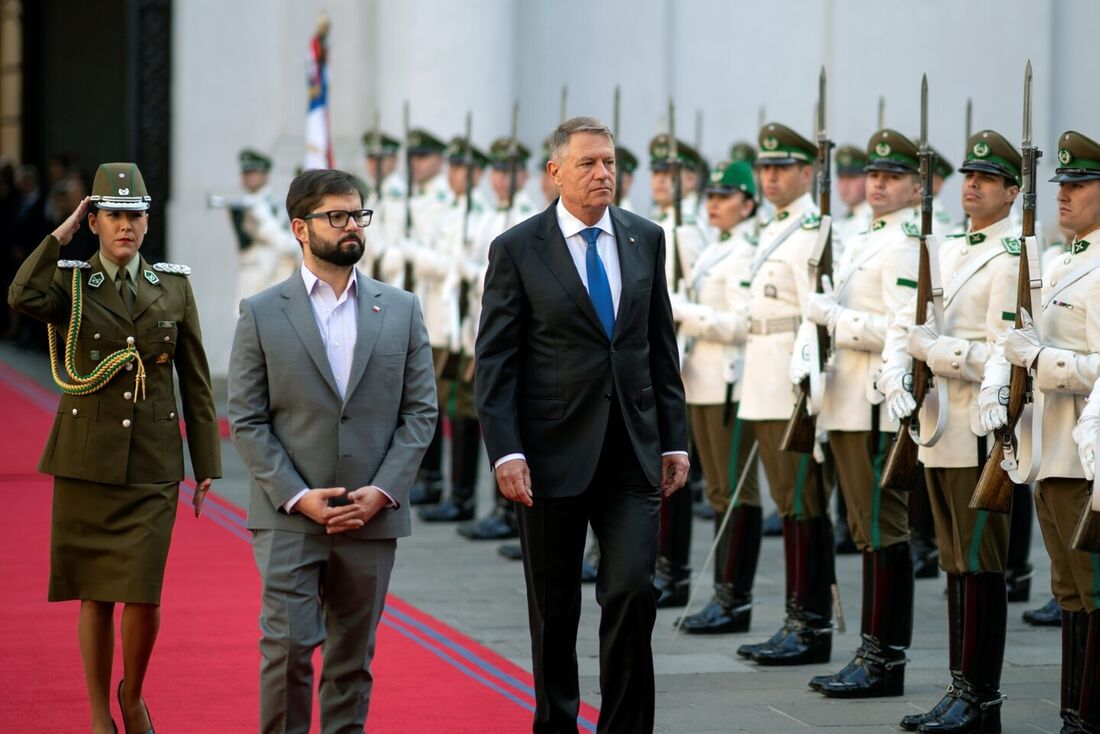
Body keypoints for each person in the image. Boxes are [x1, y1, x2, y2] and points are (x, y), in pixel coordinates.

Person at [475, 116, 689, 733]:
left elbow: (658, 346)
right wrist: (506, 452)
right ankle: (557, 723)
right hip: (548, 457)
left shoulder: (644, 238)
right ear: (555, 172)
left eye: (610, 163)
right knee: (556, 608)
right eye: (589, 163)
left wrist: (673, 440)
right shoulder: (517, 248)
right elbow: (496, 361)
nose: (603, 174)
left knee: (630, 591)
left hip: (631, 452)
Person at [8, 162, 222, 734]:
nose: (125, 226)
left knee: (144, 595)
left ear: (147, 224)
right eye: (113, 216)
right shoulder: (72, 283)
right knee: (95, 595)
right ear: (95, 220)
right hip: (86, 458)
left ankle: (134, 693)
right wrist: (60, 235)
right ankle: (100, 712)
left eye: (135, 216)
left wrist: (205, 464)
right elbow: (21, 293)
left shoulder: (172, 286)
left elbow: (196, 381)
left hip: (152, 458)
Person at [228, 168, 437, 733]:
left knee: (351, 663)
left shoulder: (401, 308)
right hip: (289, 516)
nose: (352, 226)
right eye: (336, 216)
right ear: (300, 227)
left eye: (358, 215)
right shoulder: (262, 311)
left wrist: (383, 491)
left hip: (371, 516)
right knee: (289, 652)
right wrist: (297, 495)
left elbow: (421, 413)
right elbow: (245, 418)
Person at [885, 129, 1021, 732]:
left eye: (987, 179)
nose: (971, 185)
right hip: (942, 425)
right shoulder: (952, 248)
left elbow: (1002, 349)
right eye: (968, 176)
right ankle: (959, 687)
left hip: (978, 425)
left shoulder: (1013, 253)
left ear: (1012, 192)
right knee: (952, 559)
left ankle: (981, 698)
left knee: (979, 559)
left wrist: (936, 352)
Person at [805, 130, 922, 697]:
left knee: (883, 529)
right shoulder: (864, 235)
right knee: (865, 530)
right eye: (874, 174)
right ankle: (872, 650)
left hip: (875, 401)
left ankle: (885, 658)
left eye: (892, 176)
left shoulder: (905, 242)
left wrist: (834, 318)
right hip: (846, 399)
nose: (877, 183)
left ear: (917, 186)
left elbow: (901, 328)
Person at [1000, 129, 1100, 734]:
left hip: (1085, 455)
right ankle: (1073, 713)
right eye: (1062, 186)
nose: (1065, 197)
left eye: (1080, 186)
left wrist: (1040, 362)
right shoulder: (1063, 261)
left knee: (1092, 591)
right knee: (1068, 590)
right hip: (1051, 453)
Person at [735, 122, 836, 667]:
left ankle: (809, 624)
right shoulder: (772, 227)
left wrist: (808, 385)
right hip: (761, 378)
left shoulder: (812, 232)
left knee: (803, 504)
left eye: (781, 168)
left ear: (808, 172)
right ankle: (796, 617)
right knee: (788, 503)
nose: (770, 177)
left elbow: (813, 315)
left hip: (789, 384)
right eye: (764, 168)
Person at [673, 160, 762, 635]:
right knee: (716, 491)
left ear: (748, 205)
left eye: (725, 197)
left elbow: (740, 323)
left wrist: (683, 311)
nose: (714, 204)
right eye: (711, 196)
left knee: (733, 491)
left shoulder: (746, 252)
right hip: (702, 381)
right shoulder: (718, 247)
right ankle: (724, 595)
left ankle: (733, 598)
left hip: (728, 383)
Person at [458, 134, 538, 543]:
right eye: (497, 171)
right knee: (485, 414)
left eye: (510, 171)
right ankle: (499, 508)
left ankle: (510, 512)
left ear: (523, 175)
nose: (501, 179)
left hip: (516, 334)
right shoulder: (487, 216)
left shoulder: (526, 217)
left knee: (509, 418)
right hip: (481, 323)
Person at [417, 137, 491, 523]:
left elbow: (476, 270)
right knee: (440, 403)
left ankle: (463, 496)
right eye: (453, 166)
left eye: (464, 168)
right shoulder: (448, 212)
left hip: (468, 325)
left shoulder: (482, 216)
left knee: (465, 407)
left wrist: (461, 269)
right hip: (444, 322)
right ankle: (441, 484)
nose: (456, 174)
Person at [229, 149, 301, 314]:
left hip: (276, 274)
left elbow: (285, 241)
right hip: (254, 276)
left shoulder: (274, 204)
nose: (247, 177)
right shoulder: (245, 205)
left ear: (264, 175)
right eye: (245, 173)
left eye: (253, 172)